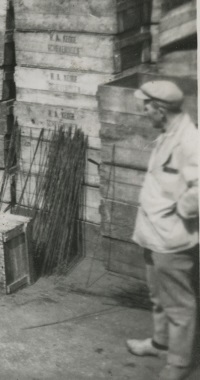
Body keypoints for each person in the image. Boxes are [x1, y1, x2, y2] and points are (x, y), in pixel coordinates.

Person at [125, 80, 198, 380]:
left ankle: (179, 363)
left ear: (160, 109)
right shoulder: (168, 133)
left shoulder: (190, 140)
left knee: (179, 305)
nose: (144, 112)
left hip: (172, 237)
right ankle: (160, 343)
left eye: (146, 107)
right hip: (153, 233)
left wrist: (180, 212)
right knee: (157, 295)